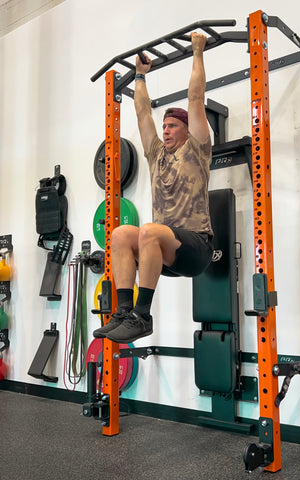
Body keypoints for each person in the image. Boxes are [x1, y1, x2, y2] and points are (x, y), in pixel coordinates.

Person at [93, 32, 214, 343]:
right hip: (163, 254)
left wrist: (197, 52)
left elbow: (196, 98)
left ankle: (142, 316)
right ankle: (124, 311)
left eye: (172, 126)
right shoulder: (156, 155)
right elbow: (142, 112)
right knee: (120, 233)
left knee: (149, 230)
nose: (166, 130)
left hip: (196, 248)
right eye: (165, 127)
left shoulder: (198, 149)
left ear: (189, 130)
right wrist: (140, 76)